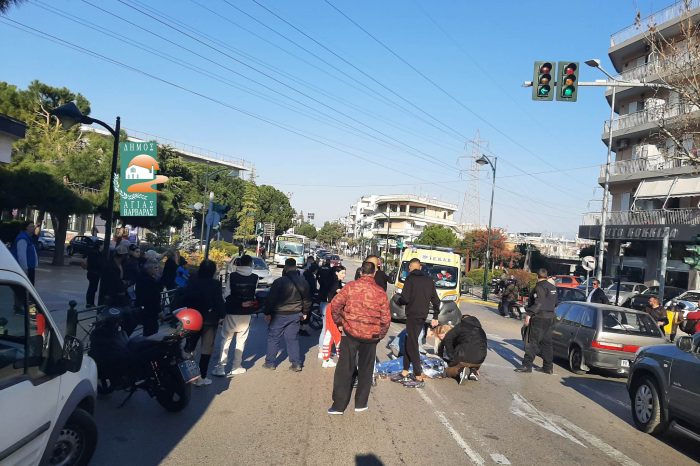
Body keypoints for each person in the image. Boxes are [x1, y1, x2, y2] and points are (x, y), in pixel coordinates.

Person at [328, 261, 390, 414]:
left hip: (351, 333)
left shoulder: (350, 287)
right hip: (371, 336)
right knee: (366, 370)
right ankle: (361, 404)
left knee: (345, 368)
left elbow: (335, 305)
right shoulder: (380, 292)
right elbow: (386, 319)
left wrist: (340, 322)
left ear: (361, 272)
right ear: (374, 273)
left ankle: (339, 406)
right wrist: (380, 335)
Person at [392, 258, 440, 388]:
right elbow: (436, 300)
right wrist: (435, 316)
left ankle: (418, 376)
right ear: (420, 267)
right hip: (422, 316)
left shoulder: (410, 279)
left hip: (412, 315)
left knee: (412, 344)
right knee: (409, 342)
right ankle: (405, 372)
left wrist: (398, 300)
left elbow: (405, 298)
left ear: (410, 268)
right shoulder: (429, 280)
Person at [212, 255, 258, 377]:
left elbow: (226, 294)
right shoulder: (255, 277)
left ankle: (221, 367)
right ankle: (236, 366)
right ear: (251, 264)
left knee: (226, 340)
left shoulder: (232, 276)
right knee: (241, 341)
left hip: (232, 311)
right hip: (246, 313)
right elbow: (253, 294)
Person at [263, 258, 311, 371]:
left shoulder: (279, 282)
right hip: (295, 313)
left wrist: (267, 313)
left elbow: (271, 299)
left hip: (279, 314)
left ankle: (270, 363)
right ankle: (296, 364)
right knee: (292, 339)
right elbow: (307, 300)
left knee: (274, 338)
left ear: (285, 267)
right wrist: (305, 312)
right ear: (295, 267)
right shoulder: (303, 282)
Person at [183, 259, 225, 386]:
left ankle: (188, 375)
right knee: (206, 348)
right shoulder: (215, 284)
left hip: (192, 318)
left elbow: (185, 297)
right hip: (209, 319)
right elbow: (219, 301)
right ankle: (201, 377)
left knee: (189, 347)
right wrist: (222, 315)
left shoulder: (192, 280)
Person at [516, 268, 557, 374]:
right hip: (550, 317)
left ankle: (526, 365)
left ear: (537, 276)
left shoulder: (539, 287)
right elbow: (554, 302)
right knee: (547, 343)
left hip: (539, 318)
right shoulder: (552, 287)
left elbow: (538, 303)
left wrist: (528, 315)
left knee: (532, 342)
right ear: (546, 276)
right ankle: (548, 367)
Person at [439, 316, 487, 384]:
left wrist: (450, 355)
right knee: (471, 355)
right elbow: (482, 347)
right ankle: (472, 371)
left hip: (463, 357)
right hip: (479, 360)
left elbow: (447, 339)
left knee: (447, 370)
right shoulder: (481, 331)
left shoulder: (461, 326)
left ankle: (459, 372)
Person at [319, 265, 346, 367]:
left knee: (329, 333)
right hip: (333, 309)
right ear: (336, 273)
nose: (344, 275)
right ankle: (339, 357)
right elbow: (342, 293)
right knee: (335, 333)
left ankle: (325, 358)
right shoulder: (335, 282)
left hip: (330, 307)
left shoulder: (335, 281)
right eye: (342, 273)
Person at [98, 242, 130, 306]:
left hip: (119, 295)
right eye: (126, 255)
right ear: (123, 255)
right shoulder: (110, 266)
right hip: (110, 295)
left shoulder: (122, 264)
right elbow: (112, 281)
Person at [135, 261, 162, 336]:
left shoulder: (144, 277)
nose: (157, 269)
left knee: (149, 329)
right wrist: (159, 310)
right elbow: (153, 297)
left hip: (145, 308)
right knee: (151, 330)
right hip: (150, 310)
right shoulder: (148, 281)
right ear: (149, 269)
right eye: (155, 268)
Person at [84, 243, 104, 307]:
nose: (103, 246)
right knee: (92, 288)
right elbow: (97, 263)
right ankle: (90, 303)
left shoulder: (93, 252)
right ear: (99, 246)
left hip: (92, 272)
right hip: (94, 273)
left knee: (92, 288)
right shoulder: (96, 253)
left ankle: (90, 302)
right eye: (102, 245)